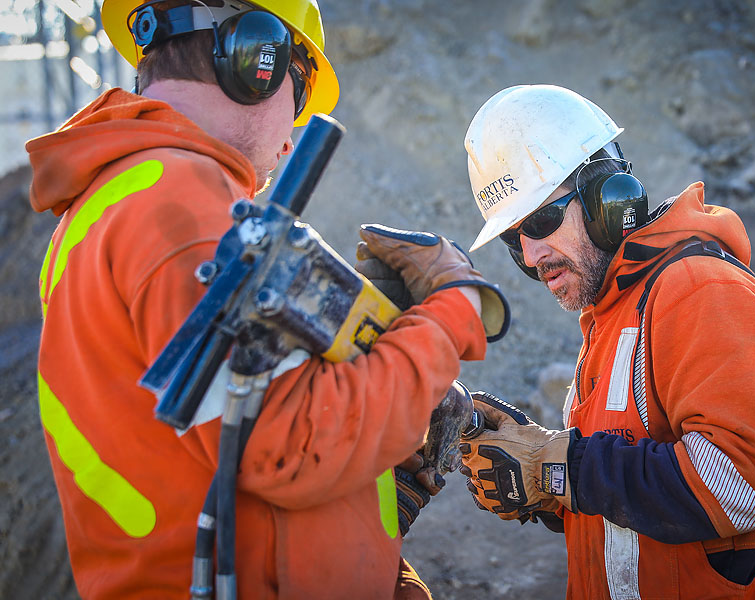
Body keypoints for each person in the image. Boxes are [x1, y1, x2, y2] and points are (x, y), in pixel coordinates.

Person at [27, 0, 508, 597]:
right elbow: (295, 448)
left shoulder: (124, 199)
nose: (292, 138)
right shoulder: (179, 197)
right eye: (300, 95)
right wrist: (451, 309)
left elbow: (233, 448)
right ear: (259, 58)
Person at [458, 84, 755, 599]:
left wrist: (559, 467)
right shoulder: (616, 311)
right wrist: (538, 477)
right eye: (514, 238)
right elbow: (630, 492)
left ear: (607, 196)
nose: (531, 254)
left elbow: (744, 486)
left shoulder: (698, 290)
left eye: (539, 219)